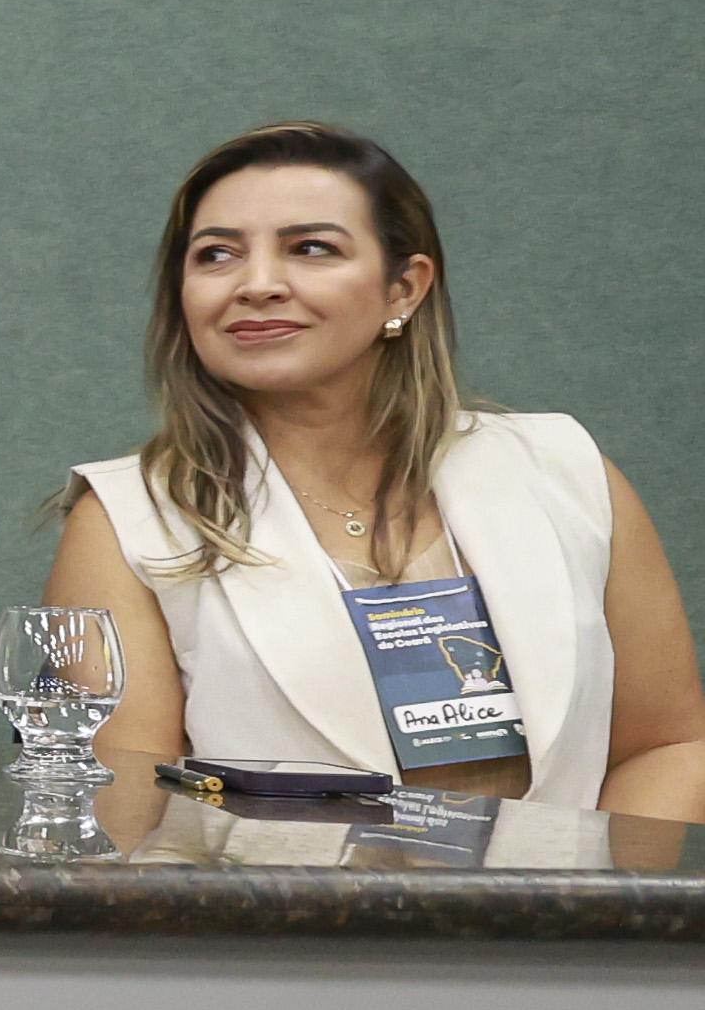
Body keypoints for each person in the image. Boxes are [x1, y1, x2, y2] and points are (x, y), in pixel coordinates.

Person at [46, 123, 704, 817]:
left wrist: (590, 883)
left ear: (404, 288)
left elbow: (668, 746)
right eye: (216, 255)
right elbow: (125, 812)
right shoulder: (127, 521)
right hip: (268, 892)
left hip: (565, 890)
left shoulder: (565, 470)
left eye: (310, 248)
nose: (257, 284)